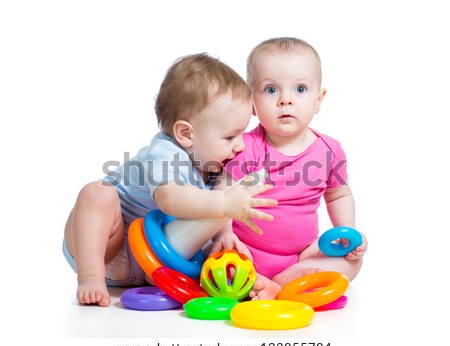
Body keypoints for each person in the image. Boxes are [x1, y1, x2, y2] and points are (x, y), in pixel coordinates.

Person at [63, 53, 278, 306]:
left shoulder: (214, 163)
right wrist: (224, 203)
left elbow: (213, 212)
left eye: (242, 134)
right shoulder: (165, 154)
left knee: (220, 248)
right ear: (185, 133)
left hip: (152, 261)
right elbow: (171, 199)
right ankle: (90, 277)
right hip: (108, 247)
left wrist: (223, 234)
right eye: (231, 137)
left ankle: (245, 285)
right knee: (97, 193)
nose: (240, 146)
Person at [211, 37, 368, 300]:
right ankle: (264, 282)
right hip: (248, 250)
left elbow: (339, 194)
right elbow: (221, 195)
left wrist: (348, 233)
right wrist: (226, 235)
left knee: (352, 263)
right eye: (271, 90)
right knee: (219, 260)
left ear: (318, 100)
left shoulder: (330, 151)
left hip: (304, 252)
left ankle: (288, 278)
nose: (285, 100)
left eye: (300, 89)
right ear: (252, 102)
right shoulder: (246, 147)